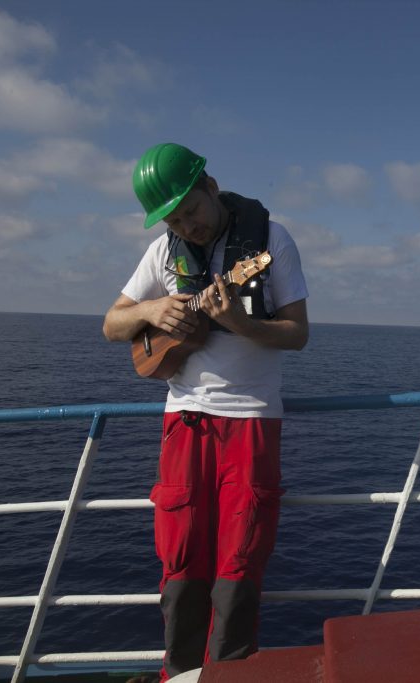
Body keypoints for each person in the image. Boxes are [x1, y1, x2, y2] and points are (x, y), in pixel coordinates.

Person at [103, 142, 309, 680]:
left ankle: (229, 675)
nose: (187, 227)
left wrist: (240, 323)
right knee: (180, 558)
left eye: (191, 211)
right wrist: (152, 309)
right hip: (184, 420)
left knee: (240, 561)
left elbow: (297, 333)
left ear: (211, 187)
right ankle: (178, 674)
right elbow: (113, 325)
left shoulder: (270, 241)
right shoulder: (162, 253)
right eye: (174, 220)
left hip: (251, 420)